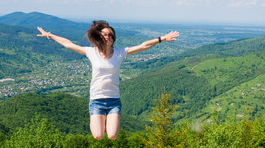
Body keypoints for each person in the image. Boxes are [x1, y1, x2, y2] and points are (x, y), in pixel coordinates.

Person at [37, 21, 179, 140]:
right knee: (98, 135)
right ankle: (96, 119)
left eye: (111, 35)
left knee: (112, 136)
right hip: (96, 100)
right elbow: (68, 44)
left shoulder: (119, 53)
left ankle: (103, 120)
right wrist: (49, 35)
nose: (108, 37)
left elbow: (143, 46)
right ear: (99, 36)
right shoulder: (91, 52)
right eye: (105, 34)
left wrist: (162, 38)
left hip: (113, 101)